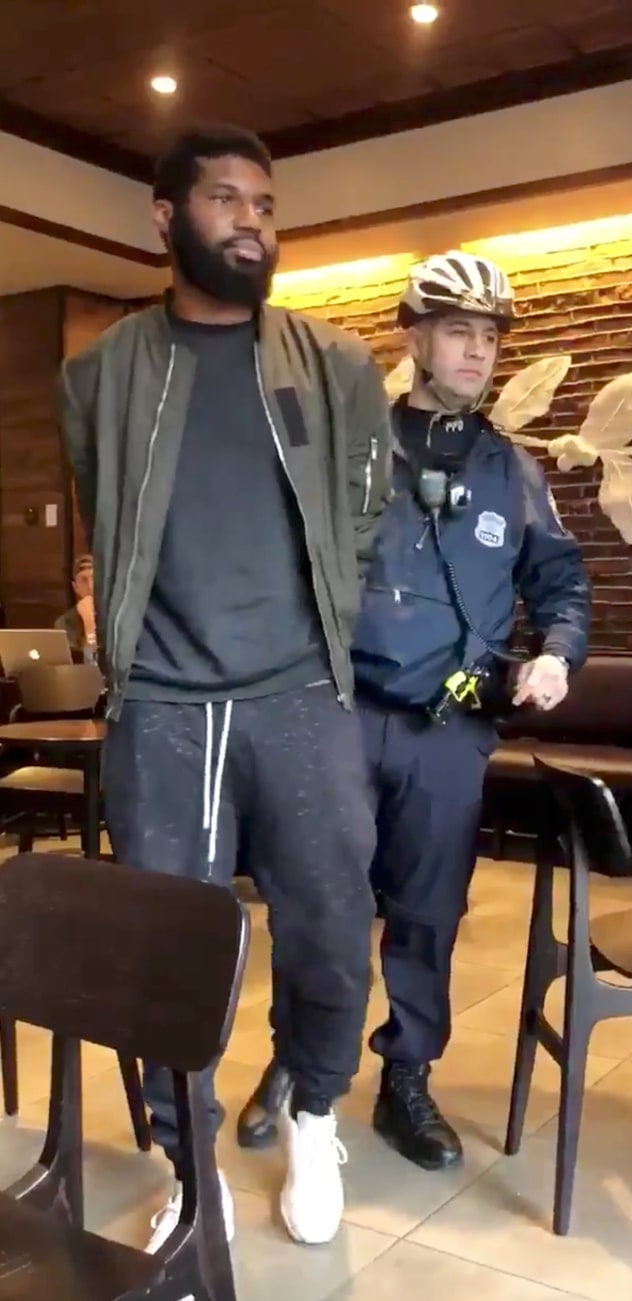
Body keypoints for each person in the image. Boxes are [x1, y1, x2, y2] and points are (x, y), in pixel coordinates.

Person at [59, 123, 392, 1249]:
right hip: (160, 701)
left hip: (302, 690)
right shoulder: (99, 372)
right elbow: (103, 511)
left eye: (265, 203)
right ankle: (186, 1161)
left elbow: (363, 508)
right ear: (166, 218)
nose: (251, 221)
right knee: (162, 950)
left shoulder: (333, 363)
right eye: (225, 201)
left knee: (332, 923)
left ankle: (309, 1106)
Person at [238, 250, 590, 1170]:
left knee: (428, 911)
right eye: (460, 332)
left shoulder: (514, 471)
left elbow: (560, 580)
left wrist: (556, 652)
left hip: (452, 727)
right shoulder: (358, 451)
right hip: (344, 716)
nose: (478, 352)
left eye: (490, 336)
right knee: (318, 899)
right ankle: (297, 1055)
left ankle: (407, 1078)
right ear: (417, 336)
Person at [55, 553, 98, 660]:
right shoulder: (65, 623)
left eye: (94, 579)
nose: (90, 586)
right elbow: (87, 665)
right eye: (84, 580)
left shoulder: (116, 620)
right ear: (75, 587)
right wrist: (88, 623)